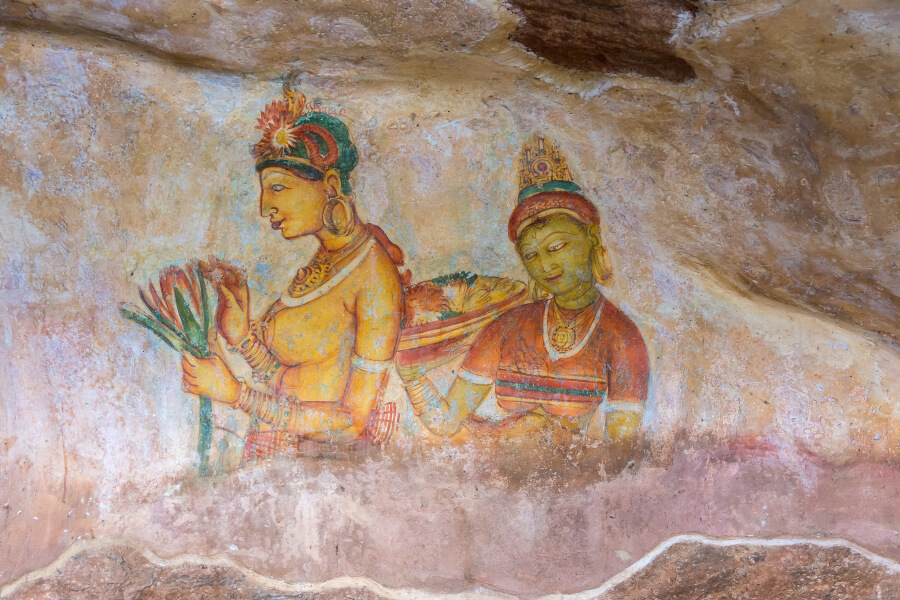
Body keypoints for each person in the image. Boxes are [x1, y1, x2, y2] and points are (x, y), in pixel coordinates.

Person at [181, 86, 406, 460]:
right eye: (264, 191)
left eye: (279, 188)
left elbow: (349, 421)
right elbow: (293, 380)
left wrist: (236, 394)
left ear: (330, 186)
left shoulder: (374, 278)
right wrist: (241, 338)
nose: (265, 206)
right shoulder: (326, 261)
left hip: (326, 473)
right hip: (282, 457)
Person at [399, 136, 649, 445]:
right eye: (531, 255)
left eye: (556, 247)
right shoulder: (507, 326)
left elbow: (620, 452)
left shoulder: (621, 337)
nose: (546, 265)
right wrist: (412, 376)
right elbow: (448, 421)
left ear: (591, 243)